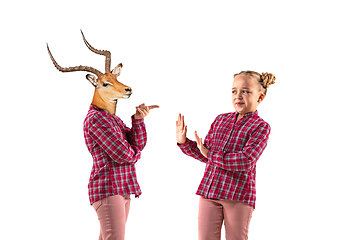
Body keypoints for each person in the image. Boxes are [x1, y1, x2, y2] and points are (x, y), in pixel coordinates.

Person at [176, 71, 275, 240]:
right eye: (234, 91)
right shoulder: (221, 120)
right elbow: (206, 154)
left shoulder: (261, 127)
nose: (238, 95)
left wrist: (210, 154)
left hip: (238, 195)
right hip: (210, 192)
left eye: (246, 91)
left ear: (260, 98)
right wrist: (184, 142)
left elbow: (245, 160)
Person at [84, 103, 159, 240]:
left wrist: (138, 120)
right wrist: (135, 154)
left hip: (122, 187)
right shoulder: (96, 118)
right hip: (109, 188)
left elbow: (138, 143)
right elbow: (123, 154)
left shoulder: (112, 118)